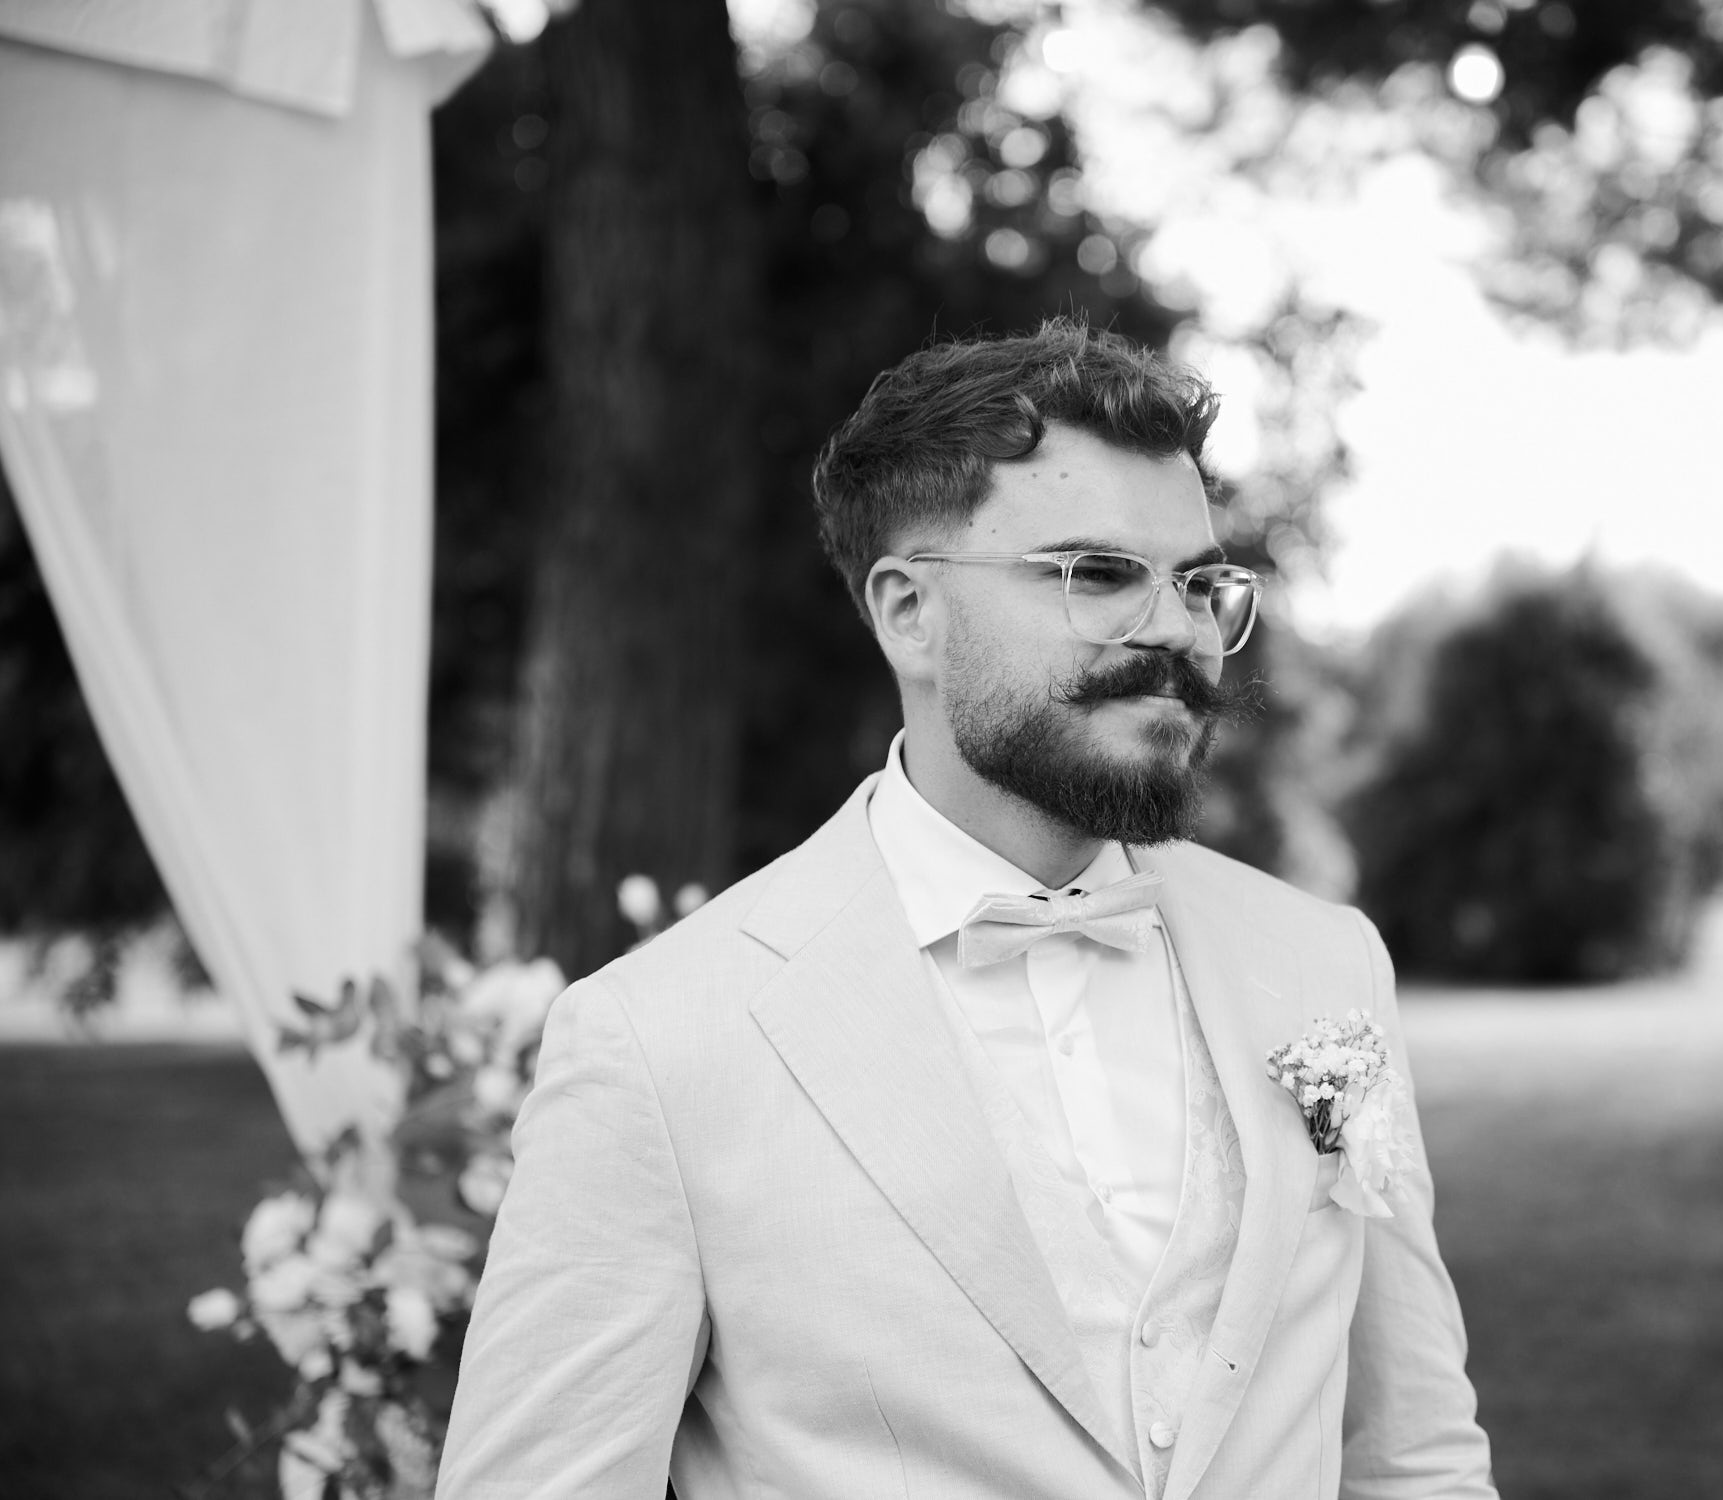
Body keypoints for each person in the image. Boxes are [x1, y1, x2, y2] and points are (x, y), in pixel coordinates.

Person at [436, 321, 1497, 1499]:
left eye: (1200, 583)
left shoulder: (1323, 963)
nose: (1177, 631)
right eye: (1099, 574)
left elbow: (1415, 1456)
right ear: (909, 612)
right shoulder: (659, 1039)